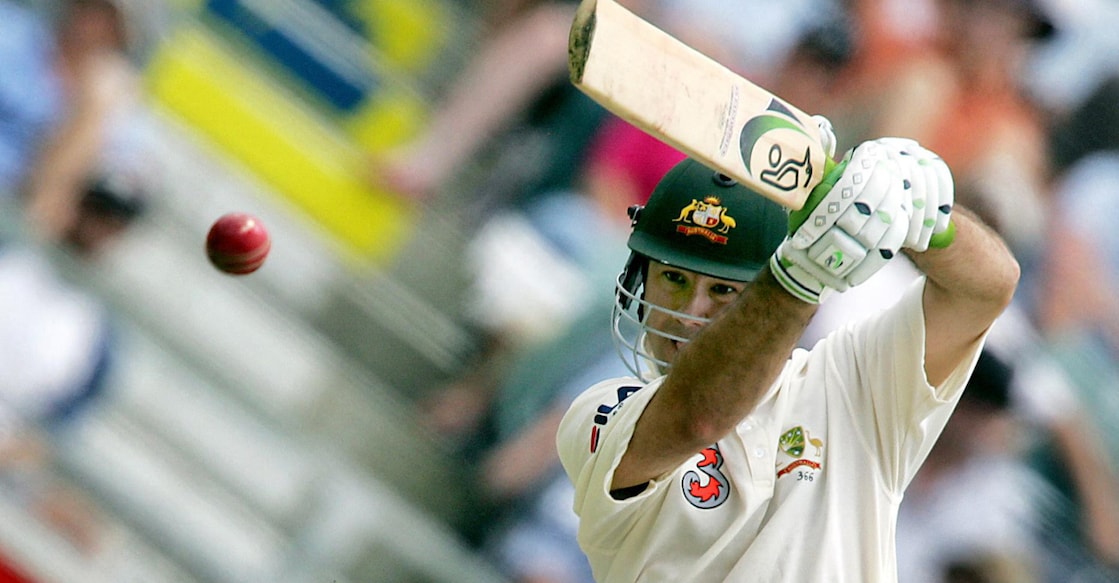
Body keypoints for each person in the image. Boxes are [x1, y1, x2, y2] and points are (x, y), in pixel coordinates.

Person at [555, 128, 1020, 580]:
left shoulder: (848, 382)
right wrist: (802, 273)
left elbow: (986, 288)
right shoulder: (600, 413)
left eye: (723, 290)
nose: (690, 314)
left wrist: (921, 217)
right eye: (674, 279)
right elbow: (700, 418)